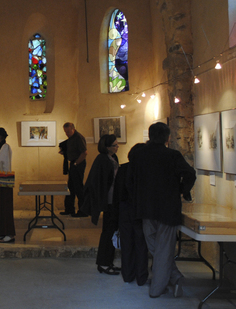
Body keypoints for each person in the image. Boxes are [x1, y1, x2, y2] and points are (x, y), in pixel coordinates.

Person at [127, 122, 196, 298]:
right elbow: (190, 174)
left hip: (145, 207)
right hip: (167, 208)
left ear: (149, 136)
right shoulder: (172, 155)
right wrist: (182, 189)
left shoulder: (139, 154)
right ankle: (163, 285)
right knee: (163, 249)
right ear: (167, 137)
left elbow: (131, 179)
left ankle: (164, 282)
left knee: (157, 247)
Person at [82, 134, 120, 275]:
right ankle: (103, 263)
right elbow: (99, 182)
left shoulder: (112, 158)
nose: (117, 147)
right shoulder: (102, 159)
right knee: (108, 232)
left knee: (111, 232)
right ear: (107, 147)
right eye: (115, 145)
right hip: (108, 201)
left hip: (113, 200)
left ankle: (108, 262)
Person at [116, 145, 149, 285]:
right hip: (141, 210)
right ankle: (141, 277)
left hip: (125, 209)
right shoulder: (146, 171)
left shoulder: (123, 169)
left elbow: (118, 193)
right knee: (141, 244)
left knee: (127, 243)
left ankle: (128, 274)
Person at [60, 122, 87, 217]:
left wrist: (76, 163)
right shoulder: (71, 139)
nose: (67, 134)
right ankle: (69, 209)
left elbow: (84, 153)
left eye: (68, 131)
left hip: (78, 163)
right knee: (71, 187)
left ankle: (83, 211)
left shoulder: (78, 137)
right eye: (65, 132)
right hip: (73, 163)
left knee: (78, 187)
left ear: (73, 129)